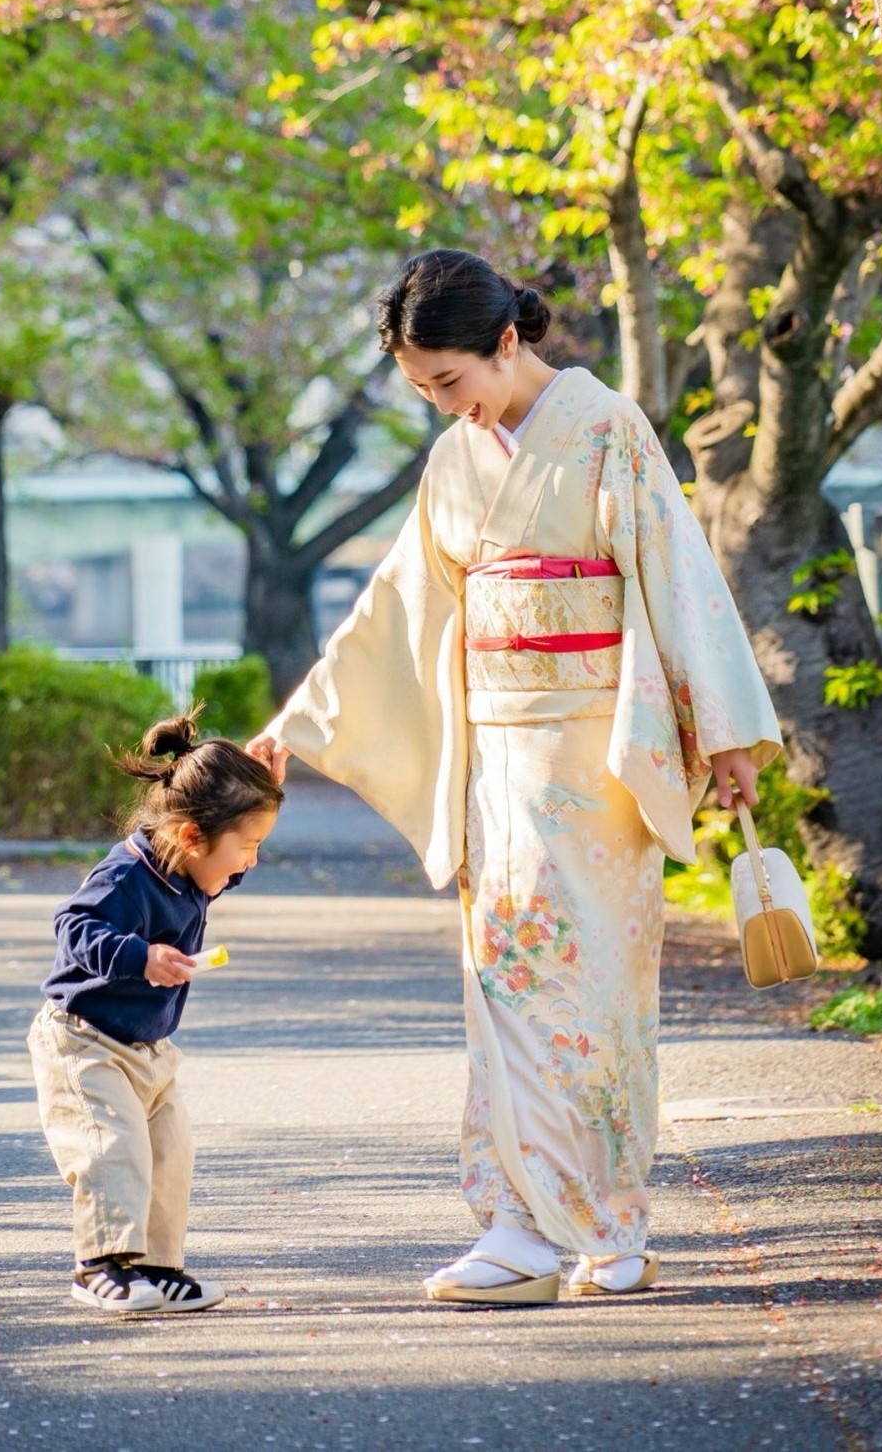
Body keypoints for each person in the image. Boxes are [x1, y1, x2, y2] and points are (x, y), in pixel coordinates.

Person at [248, 248, 781, 1305]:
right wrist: (299, 721)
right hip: (496, 755)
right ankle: (517, 1223)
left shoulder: (606, 428)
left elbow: (678, 573)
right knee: (500, 977)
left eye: (450, 379)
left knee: (589, 987)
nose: (448, 405)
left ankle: (607, 1226)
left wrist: (721, 734)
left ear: (505, 339)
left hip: (595, 760)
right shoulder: (455, 459)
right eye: (426, 390)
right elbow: (400, 607)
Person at [29, 710, 282, 1314]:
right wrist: (138, 956)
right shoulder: (125, 875)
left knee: (169, 1153)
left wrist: (269, 788)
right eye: (246, 847)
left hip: (149, 1050)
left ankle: (156, 1268)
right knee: (110, 1149)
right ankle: (98, 1267)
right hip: (85, 1043)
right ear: (193, 836)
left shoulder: (194, 868)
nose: (248, 863)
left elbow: (225, 860)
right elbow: (71, 927)